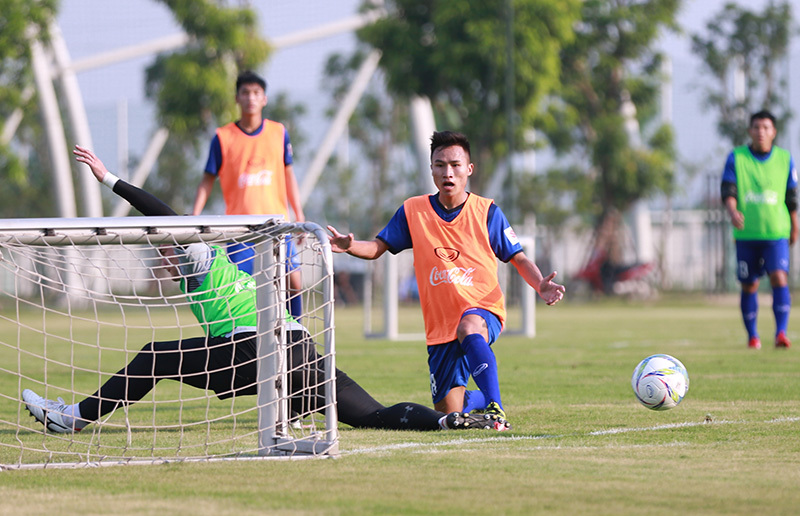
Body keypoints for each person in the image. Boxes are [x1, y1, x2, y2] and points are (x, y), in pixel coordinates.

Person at [21, 146, 509, 434]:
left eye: (168, 249)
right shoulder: (217, 266)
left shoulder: (201, 256)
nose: (167, 254)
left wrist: (110, 179)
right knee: (371, 415)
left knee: (153, 357)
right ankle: (448, 423)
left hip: (255, 347)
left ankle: (74, 418)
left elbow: (164, 215)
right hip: (293, 346)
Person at [327, 131, 565, 425]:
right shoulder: (413, 210)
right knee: (450, 413)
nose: (447, 172)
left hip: (482, 309)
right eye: (440, 165)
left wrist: (539, 284)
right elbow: (378, 248)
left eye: (455, 165)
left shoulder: (487, 211)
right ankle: (477, 399)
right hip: (440, 326)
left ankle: (495, 408)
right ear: (431, 169)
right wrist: (350, 247)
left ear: (469, 169)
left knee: (469, 327)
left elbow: (518, 257)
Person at [192, 70, 305, 319]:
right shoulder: (223, 137)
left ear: (264, 99)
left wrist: (299, 215)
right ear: (237, 98)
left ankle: (297, 336)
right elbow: (207, 180)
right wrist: (193, 218)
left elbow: (289, 176)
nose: (251, 98)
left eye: (256, 93)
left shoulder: (278, 132)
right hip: (240, 229)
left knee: (294, 282)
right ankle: (245, 342)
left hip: (277, 224)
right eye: (245, 93)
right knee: (242, 289)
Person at [721, 110, 798, 350]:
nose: (760, 132)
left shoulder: (785, 159)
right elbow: (728, 191)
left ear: (774, 132)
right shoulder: (737, 158)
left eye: (766, 127)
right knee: (750, 284)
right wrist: (733, 212)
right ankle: (753, 336)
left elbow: (791, 196)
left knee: (779, 276)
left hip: (776, 233)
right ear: (749, 131)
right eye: (756, 127)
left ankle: (781, 333)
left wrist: (795, 224)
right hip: (746, 234)